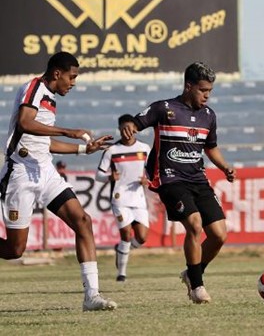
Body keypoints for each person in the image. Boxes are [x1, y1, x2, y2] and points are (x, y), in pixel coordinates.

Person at [0, 51, 117, 311]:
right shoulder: (34, 88)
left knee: (82, 221)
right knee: (15, 249)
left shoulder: (51, 99)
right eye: (71, 77)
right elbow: (25, 123)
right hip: (20, 172)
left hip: (45, 171)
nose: (73, 83)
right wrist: (69, 130)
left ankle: (92, 296)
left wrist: (81, 150)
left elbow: (45, 142)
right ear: (57, 73)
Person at [121, 61, 236, 304]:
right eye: (203, 90)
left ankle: (192, 273)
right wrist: (129, 126)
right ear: (188, 86)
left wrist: (224, 166)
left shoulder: (209, 116)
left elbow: (210, 147)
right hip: (169, 177)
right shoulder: (164, 108)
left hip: (198, 178)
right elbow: (136, 121)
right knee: (194, 224)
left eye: (210, 91)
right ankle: (197, 287)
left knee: (219, 235)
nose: (207, 95)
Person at [95, 114, 151, 282]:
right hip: (120, 198)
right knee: (126, 234)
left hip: (138, 198)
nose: (128, 132)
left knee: (141, 237)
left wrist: (147, 180)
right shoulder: (112, 150)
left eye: (130, 128)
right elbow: (98, 174)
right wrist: (109, 177)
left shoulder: (145, 148)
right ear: (119, 129)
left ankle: (121, 250)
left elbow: (153, 171)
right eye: (124, 129)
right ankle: (122, 274)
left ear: (135, 129)